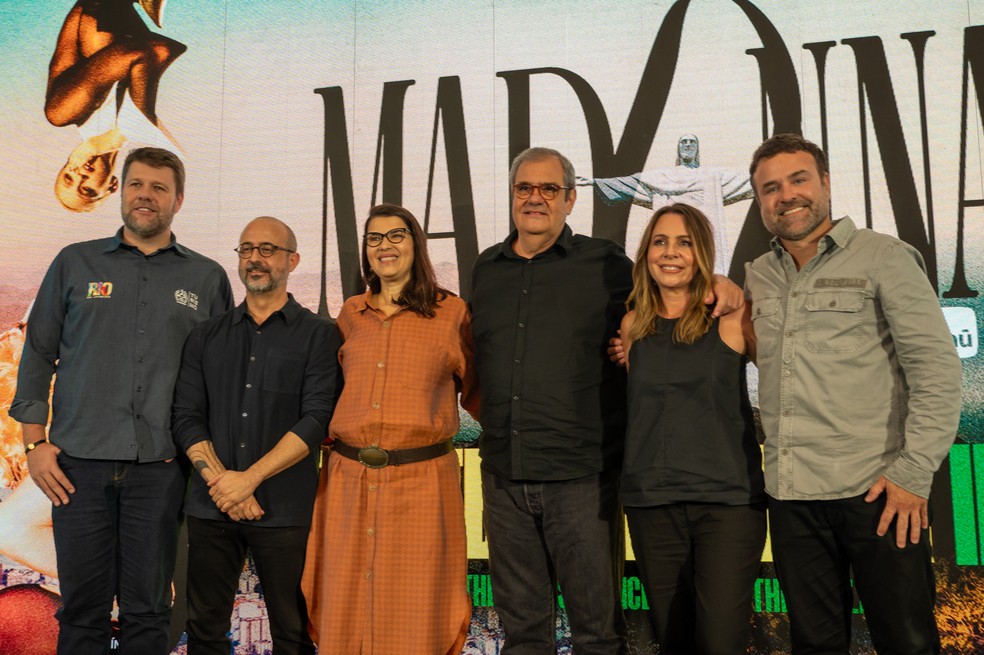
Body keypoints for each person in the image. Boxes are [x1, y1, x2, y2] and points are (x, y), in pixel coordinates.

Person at [470, 147, 744, 654]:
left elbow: (668, 294)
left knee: (597, 634)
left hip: (583, 480)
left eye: (549, 189)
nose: (535, 198)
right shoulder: (486, 269)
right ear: (511, 197)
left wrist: (722, 282)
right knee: (522, 637)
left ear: (571, 199)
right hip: (504, 478)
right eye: (524, 188)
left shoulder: (606, 264)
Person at [10, 146, 233, 654]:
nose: (145, 196)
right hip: (76, 469)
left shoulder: (207, 279)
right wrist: (35, 444)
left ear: (178, 199)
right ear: (122, 192)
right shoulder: (75, 262)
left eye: (158, 187)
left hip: (161, 468)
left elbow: (217, 379)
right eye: (136, 184)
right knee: (83, 612)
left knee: (148, 612)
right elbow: (39, 353)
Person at [744, 133, 962, 653]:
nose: (786, 196)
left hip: (879, 494)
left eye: (798, 179)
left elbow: (936, 371)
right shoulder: (758, 275)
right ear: (759, 201)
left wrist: (912, 474)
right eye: (770, 188)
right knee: (815, 646)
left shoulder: (883, 257)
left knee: (907, 641)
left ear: (824, 182)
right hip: (791, 498)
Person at [301, 203, 478, 654]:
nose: (385, 246)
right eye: (374, 238)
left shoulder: (452, 314)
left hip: (421, 486)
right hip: (346, 483)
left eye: (396, 235)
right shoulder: (349, 315)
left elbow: (482, 393)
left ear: (416, 243)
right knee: (344, 605)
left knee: (419, 613)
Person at [171, 216, 341, 655]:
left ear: (292, 260)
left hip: (285, 511)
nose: (255, 259)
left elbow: (316, 418)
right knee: (205, 631)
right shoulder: (206, 336)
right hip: (212, 508)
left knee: (293, 632)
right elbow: (186, 416)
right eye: (247, 249)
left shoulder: (320, 335)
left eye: (267, 249)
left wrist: (248, 479)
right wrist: (223, 483)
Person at [619, 203, 765, 655]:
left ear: (702, 252)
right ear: (645, 253)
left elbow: (793, 383)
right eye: (660, 241)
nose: (671, 252)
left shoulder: (734, 320)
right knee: (673, 641)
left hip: (726, 506)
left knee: (720, 643)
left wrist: (735, 290)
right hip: (651, 504)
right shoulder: (631, 327)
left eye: (685, 242)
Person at [45, 0, 186, 212]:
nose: (80, 176)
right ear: (112, 185)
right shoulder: (136, 127)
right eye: (87, 190)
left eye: (68, 177)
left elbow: (150, 51)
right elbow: (159, 49)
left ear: (69, 162)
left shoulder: (64, 112)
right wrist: (113, 139)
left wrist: (108, 140)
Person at [578, 134, 753, 274]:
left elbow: (744, 180)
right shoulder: (663, 177)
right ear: (679, 148)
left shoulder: (711, 176)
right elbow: (631, 183)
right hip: (673, 239)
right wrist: (594, 182)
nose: (688, 145)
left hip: (701, 238)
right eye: (684, 142)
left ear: (697, 149)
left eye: (692, 142)